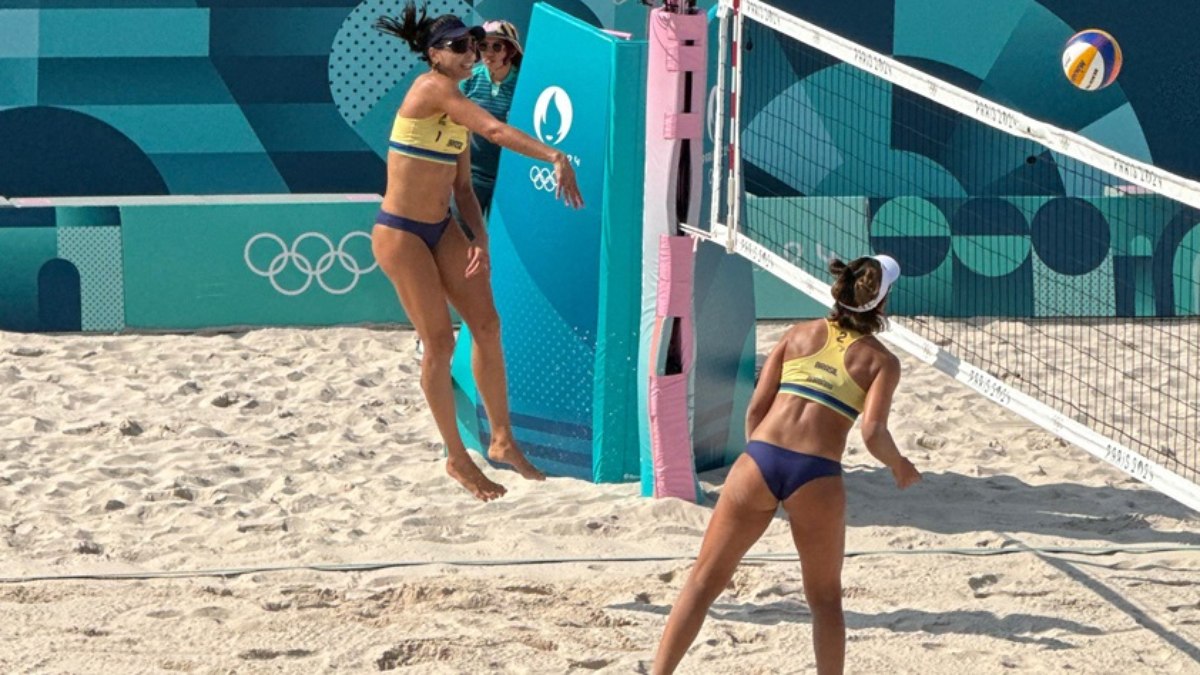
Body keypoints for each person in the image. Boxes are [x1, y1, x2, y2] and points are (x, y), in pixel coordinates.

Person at [652, 255, 922, 674]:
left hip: (760, 458)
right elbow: (873, 433)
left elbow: (755, 409)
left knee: (704, 581)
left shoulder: (798, 334)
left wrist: (760, 460)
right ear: (882, 304)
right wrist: (899, 464)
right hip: (814, 474)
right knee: (825, 601)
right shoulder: (881, 362)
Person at [371, 3, 583, 502]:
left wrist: (480, 243)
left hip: (441, 226)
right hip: (400, 232)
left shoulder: (456, 100)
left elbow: (464, 188)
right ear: (435, 55)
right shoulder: (431, 89)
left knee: (487, 326)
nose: (472, 54)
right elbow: (494, 132)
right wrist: (554, 154)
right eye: (462, 47)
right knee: (440, 342)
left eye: (474, 45)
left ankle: (504, 440)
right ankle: (456, 456)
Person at [459, 19, 523, 215]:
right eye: (483, 46)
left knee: (500, 243)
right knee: (462, 240)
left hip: (509, 178)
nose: (488, 52)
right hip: (472, 176)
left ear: (510, 50)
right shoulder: (470, 79)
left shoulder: (524, 84)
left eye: (497, 46)